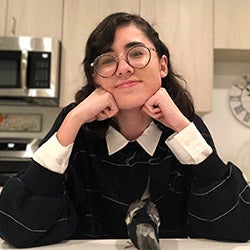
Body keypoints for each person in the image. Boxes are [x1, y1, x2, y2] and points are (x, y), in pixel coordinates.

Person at [0, 12, 249, 248]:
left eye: (136, 53)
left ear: (163, 66)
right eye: (107, 60)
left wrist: (184, 128)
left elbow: (238, 226)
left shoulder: (185, 127)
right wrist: (74, 119)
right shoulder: (76, 129)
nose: (124, 68)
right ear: (94, 78)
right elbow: (18, 228)